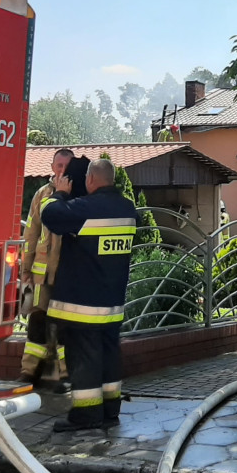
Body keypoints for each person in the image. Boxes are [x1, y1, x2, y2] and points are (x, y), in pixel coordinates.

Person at [41, 158, 137, 432]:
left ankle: (86, 414)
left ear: (91, 179)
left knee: (83, 358)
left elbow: (50, 214)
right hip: (112, 304)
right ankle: (109, 410)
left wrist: (60, 192)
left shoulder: (86, 208)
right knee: (108, 357)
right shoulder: (127, 209)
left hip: (83, 305)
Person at [17, 148, 73, 389]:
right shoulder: (42, 194)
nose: (62, 170)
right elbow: (31, 232)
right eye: (59, 165)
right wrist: (25, 269)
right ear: (52, 167)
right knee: (37, 321)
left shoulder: (77, 194)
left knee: (65, 324)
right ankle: (29, 371)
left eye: (67, 166)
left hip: (67, 274)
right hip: (41, 275)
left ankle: (67, 373)